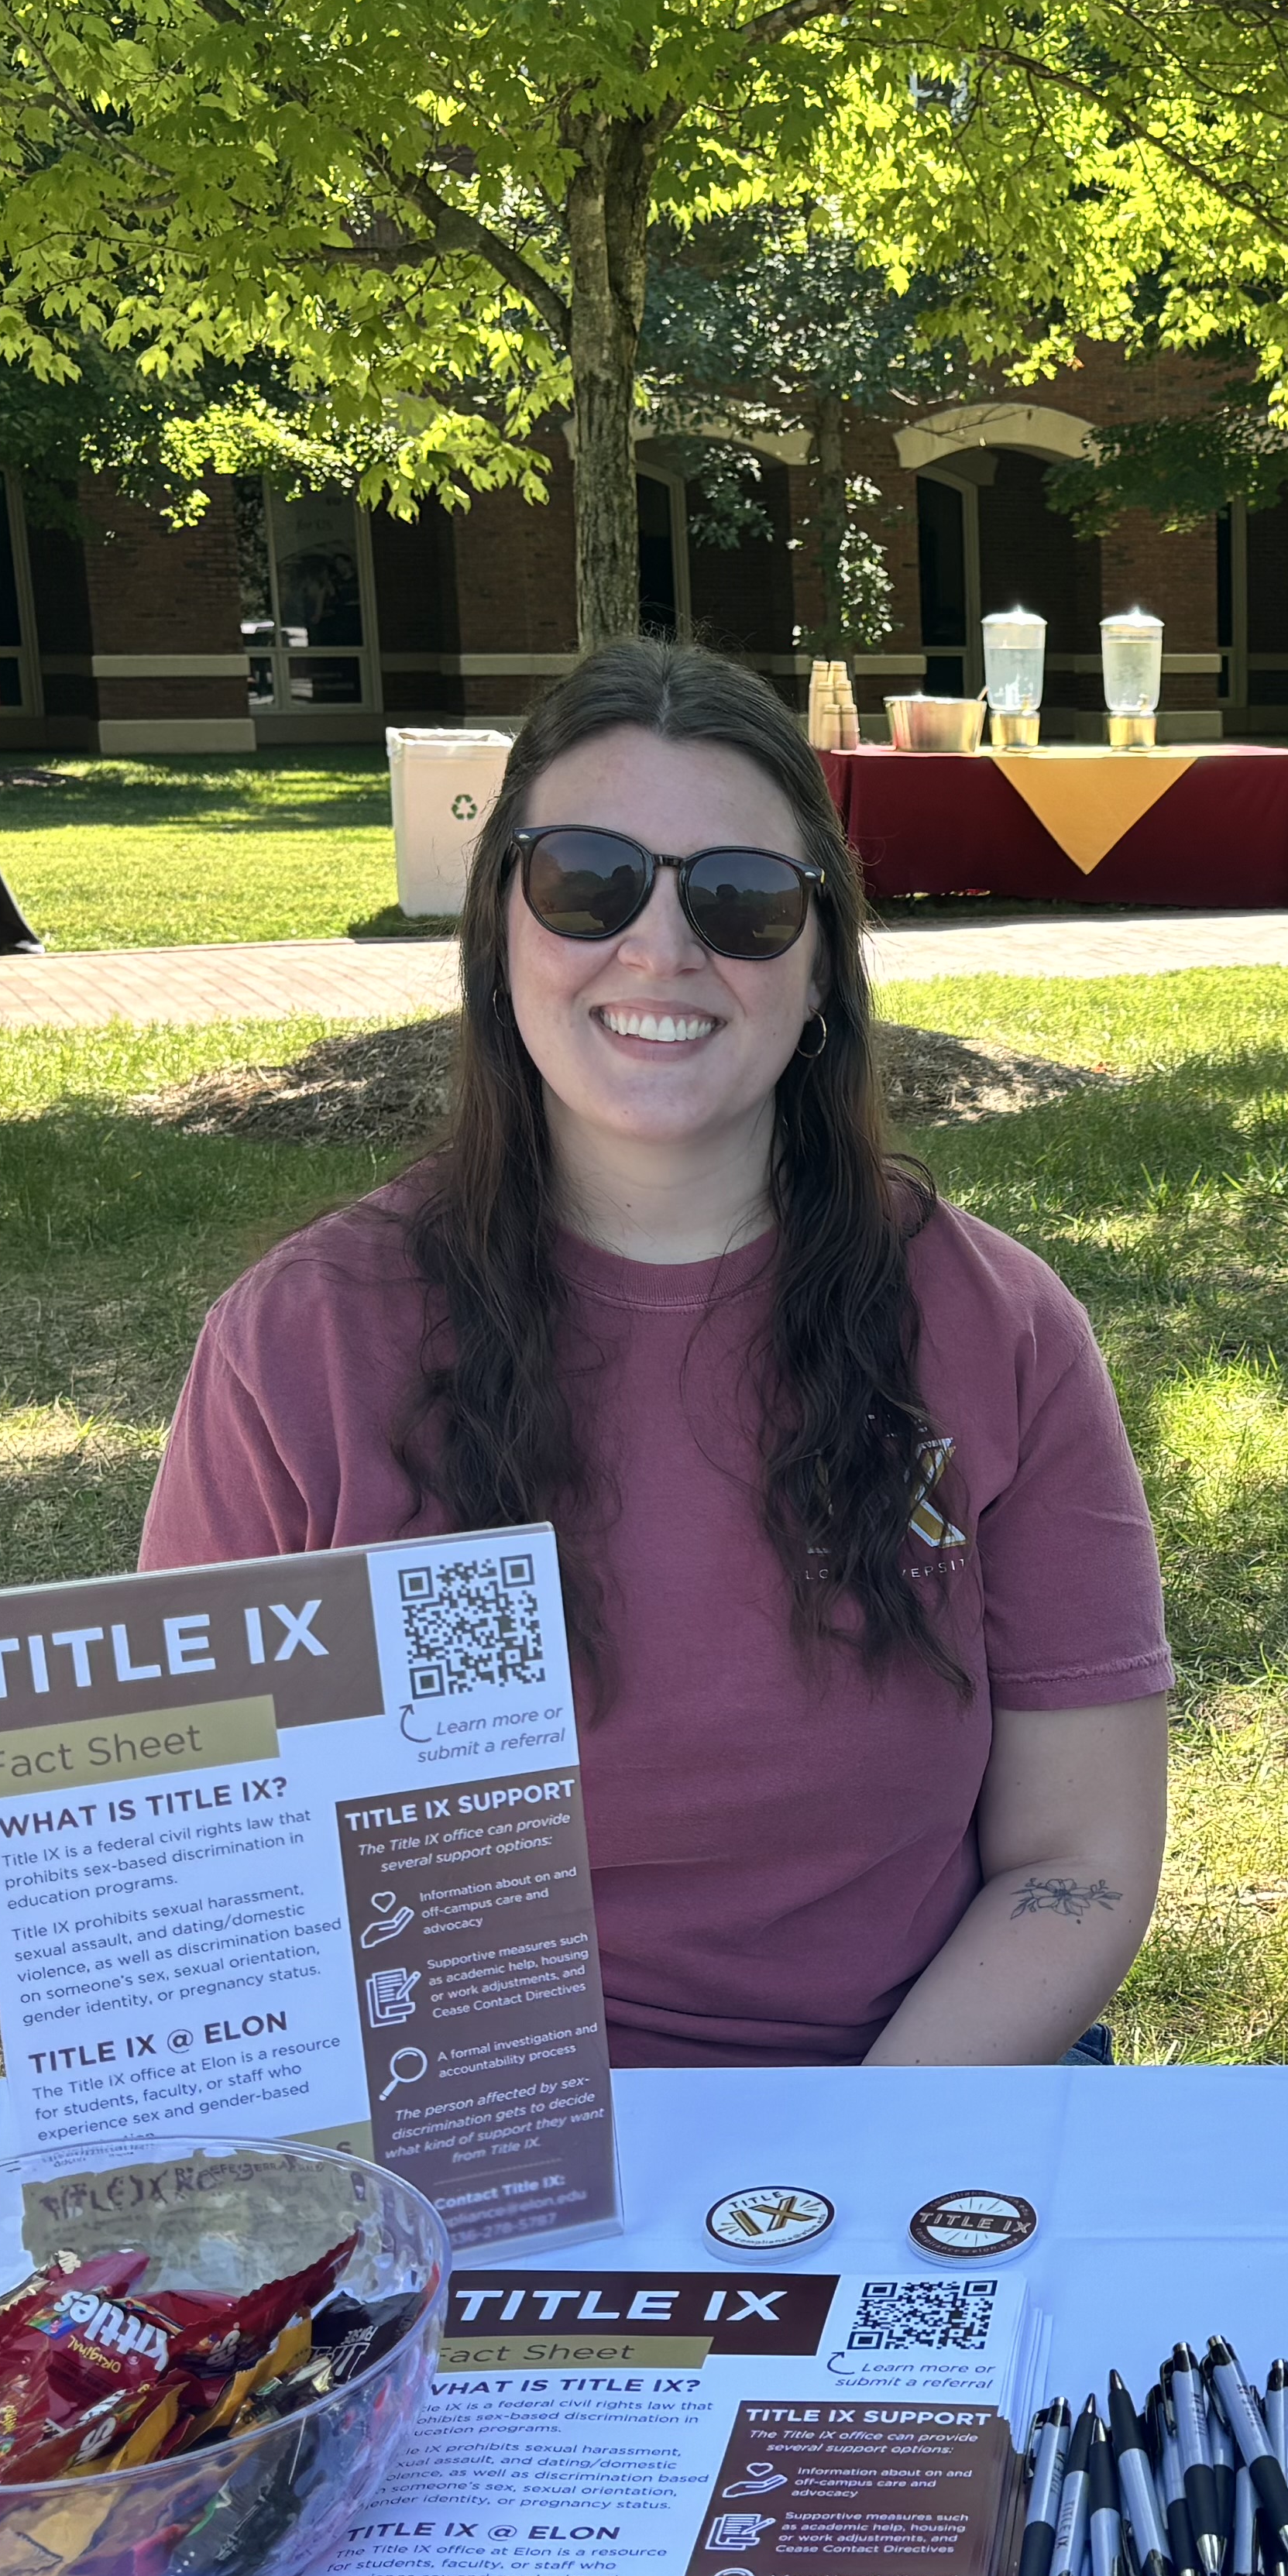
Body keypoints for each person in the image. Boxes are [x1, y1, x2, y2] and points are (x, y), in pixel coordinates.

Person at [142, 638, 1173, 2066]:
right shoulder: (298, 1344)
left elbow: (1080, 1852)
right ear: (499, 927)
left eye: (744, 900)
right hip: (455, 2134)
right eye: (588, 879)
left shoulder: (996, 1327)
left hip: (915, 2096)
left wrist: (846, 2169)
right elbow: (198, 1867)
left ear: (820, 970)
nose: (661, 949)